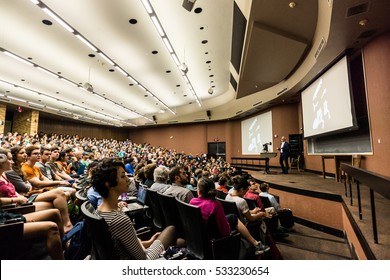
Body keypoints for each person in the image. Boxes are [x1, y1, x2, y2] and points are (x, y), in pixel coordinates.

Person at [91, 158, 179, 259]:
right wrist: (151, 245)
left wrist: (149, 242)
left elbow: (123, 245)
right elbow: (143, 258)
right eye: (123, 176)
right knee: (172, 230)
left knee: (178, 242)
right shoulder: (119, 220)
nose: (128, 179)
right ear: (109, 184)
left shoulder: (98, 211)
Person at [190, 177, 270, 256]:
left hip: (200, 235)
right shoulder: (215, 204)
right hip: (215, 238)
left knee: (232, 217)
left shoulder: (192, 201)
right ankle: (255, 243)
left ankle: (255, 244)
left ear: (199, 191)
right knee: (233, 218)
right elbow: (225, 231)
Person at [0, 148, 73, 234]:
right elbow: (28, 187)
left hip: (22, 200)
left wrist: (20, 196)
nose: (11, 162)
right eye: (9, 159)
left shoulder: (4, 173)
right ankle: (65, 232)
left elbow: (20, 188)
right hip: (12, 207)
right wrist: (18, 198)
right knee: (58, 199)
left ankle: (65, 234)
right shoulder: (11, 171)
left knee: (57, 204)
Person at [0, 197, 64, 260]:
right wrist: (21, 220)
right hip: (4, 226)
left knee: (55, 213)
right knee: (51, 228)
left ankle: (63, 246)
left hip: (6, 217)